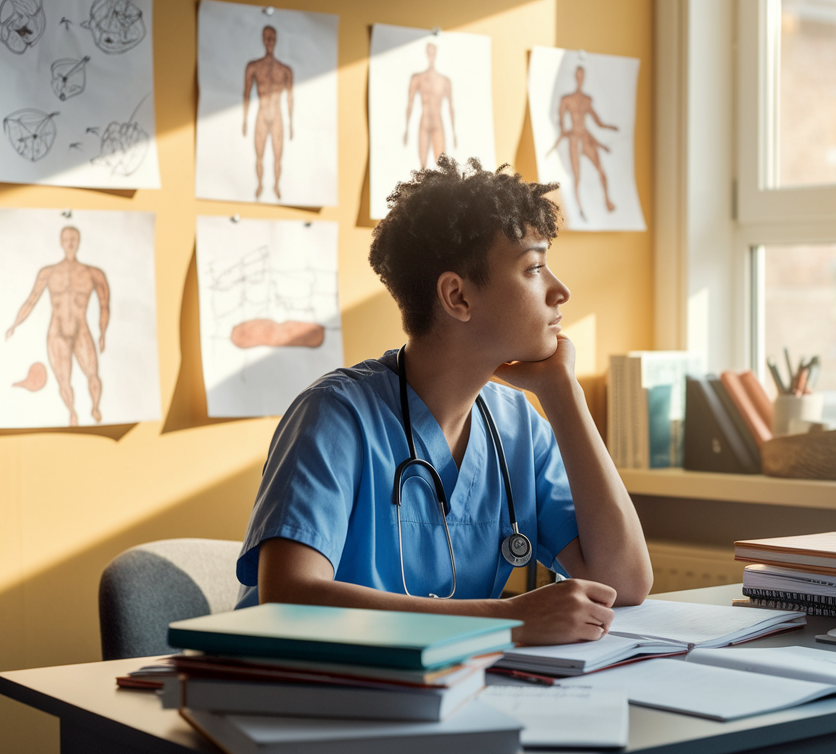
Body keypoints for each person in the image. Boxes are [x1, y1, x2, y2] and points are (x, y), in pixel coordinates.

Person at [235, 157, 652, 646]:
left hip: (439, 693)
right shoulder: (335, 415)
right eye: (534, 268)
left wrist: (565, 397)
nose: (560, 291)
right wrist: (506, 620)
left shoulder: (516, 424)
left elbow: (624, 582)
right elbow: (289, 598)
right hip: (294, 694)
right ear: (457, 297)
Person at [5, 226, 110, 427]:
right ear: (61, 242)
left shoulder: (92, 273)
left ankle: (95, 407)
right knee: (64, 381)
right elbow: (31, 300)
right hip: (57, 333)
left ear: (78, 241)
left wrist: (103, 332)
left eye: (73, 239)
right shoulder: (49, 272)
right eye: (66, 239)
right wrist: (15, 325)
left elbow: (104, 304)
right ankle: (72, 412)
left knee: (93, 375)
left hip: (81, 330)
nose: (70, 243)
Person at [551, 65, 618, 217]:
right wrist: (565, 134)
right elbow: (561, 125)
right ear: (575, 76)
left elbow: (598, 123)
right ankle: (579, 210)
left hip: (586, 138)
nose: (580, 78)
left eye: (582, 75)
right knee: (576, 176)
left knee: (601, 170)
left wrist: (612, 128)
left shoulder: (586, 100)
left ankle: (607, 201)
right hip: (575, 139)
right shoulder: (566, 100)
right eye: (578, 74)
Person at [242, 25, 293, 201]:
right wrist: (244, 119)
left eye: (272, 37)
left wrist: (291, 122)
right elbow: (246, 93)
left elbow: (290, 98)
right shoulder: (254, 67)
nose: (270, 41)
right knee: (259, 156)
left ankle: (277, 185)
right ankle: (260, 185)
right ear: (263, 40)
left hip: (277, 115)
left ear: (276, 40)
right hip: (262, 114)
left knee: (278, 157)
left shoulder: (285, 70)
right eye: (267, 37)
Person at [403, 42, 455, 169]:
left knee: (441, 166)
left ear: (435, 53)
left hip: (438, 122)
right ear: (426, 53)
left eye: (433, 51)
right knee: (422, 168)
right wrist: (407, 128)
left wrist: (454, 133)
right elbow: (409, 104)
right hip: (424, 121)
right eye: (429, 51)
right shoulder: (418, 78)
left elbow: (450, 108)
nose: (431, 54)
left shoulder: (444, 81)